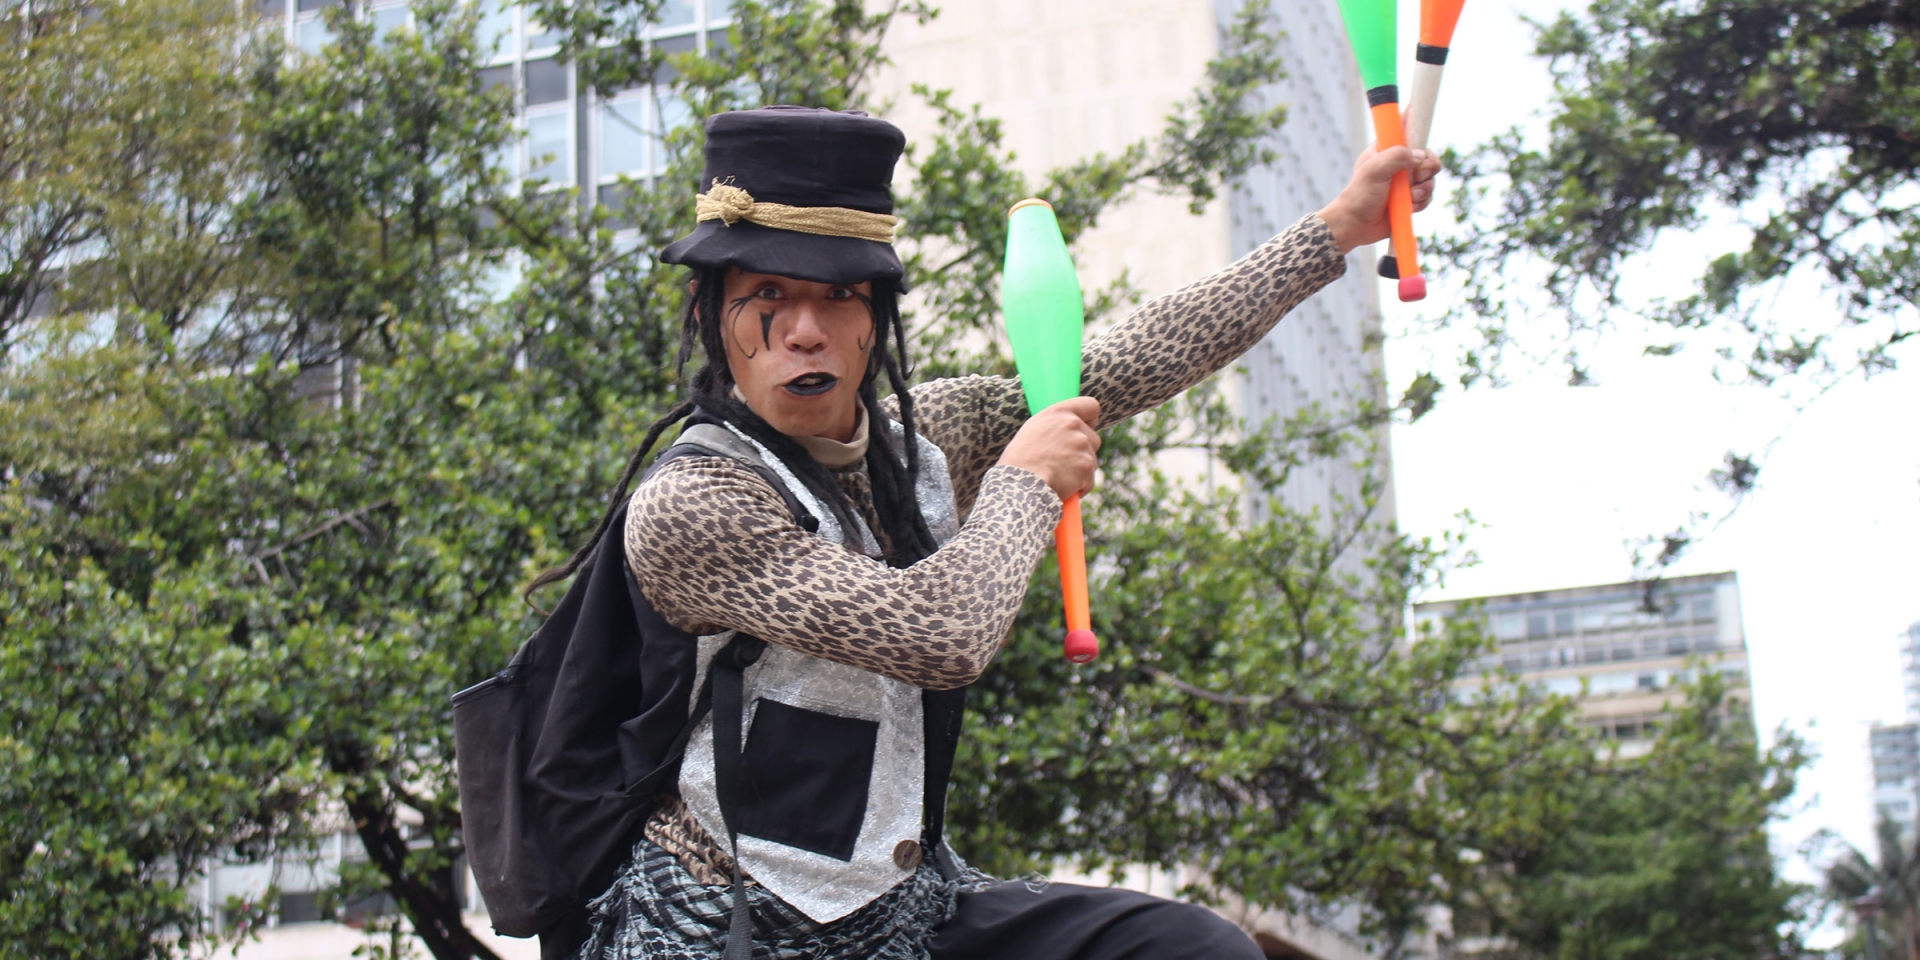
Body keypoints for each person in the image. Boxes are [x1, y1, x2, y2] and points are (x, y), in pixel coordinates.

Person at [533, 105, 1440, 960]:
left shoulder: (923, 437)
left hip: (904, 909)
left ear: (875, 319)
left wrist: (1336, 229)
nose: (805, 330)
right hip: (725, 923)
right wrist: (1026, 481)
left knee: (1195, 949)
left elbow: (1121, 366)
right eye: (767, 293)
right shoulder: (693, 501)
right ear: (708, 316)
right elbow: (939, 634)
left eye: (840, 295)